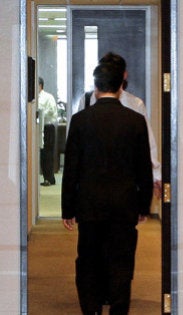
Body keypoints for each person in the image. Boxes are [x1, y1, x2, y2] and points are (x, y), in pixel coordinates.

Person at [62, 62, 153, 315]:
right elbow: (143, 167)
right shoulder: (135, 121)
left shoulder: (80, 120)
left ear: (96, 86)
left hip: (89, 205)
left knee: (89, 261)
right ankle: (118, 310)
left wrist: (67, 209)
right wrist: (143, 204)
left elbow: (71, 168)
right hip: (124, 205)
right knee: (121, 262)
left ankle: (91, 310)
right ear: (120, 86)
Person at [76, 52, 162, 198]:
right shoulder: (86, 101)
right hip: (91, 180)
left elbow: (147, 144)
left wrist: (155, 175)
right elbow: (76, 146)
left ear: (124, 75)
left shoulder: (135, 104)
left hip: (125, 181)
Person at [38, 77, 58, 186]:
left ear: (40, 85)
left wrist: (40, 114)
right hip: (39, 128)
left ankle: (50, 179)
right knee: (42, 153)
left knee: (48, 153)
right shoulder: (35, 98)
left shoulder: (48, 97)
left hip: (48, 127)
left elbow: (51, 111)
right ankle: (47, 178)